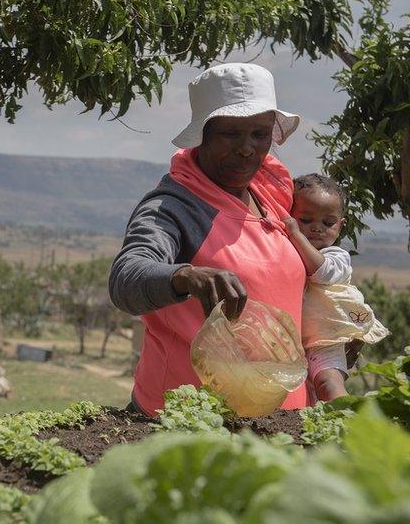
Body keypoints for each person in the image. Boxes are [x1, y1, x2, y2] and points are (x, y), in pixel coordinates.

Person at [109, 62, 308, 416]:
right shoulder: (175, 207)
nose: (247, 149)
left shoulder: (271, 194)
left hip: (279, 424)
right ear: (203, 135)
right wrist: (185, 276)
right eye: (231, 134)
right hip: (189, 423)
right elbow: (127, 276)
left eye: (259, 134)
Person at [282, 173, 388, 401]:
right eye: (306, 220)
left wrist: (296, 234)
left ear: (340, 226)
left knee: (328, 383)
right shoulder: (288, 251)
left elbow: (321, 272)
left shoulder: (337, 256)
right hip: (295, 342)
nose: (317, 229)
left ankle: (347, 424)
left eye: (327, 223)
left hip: (326, 340)